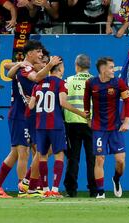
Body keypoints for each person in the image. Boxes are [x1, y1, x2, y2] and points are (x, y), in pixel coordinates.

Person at [0, 40, 59, 198]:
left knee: (31, 151)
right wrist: (48, 66)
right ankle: (24, 188)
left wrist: (17, 65)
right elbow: (34, 77)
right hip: (20, 114)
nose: (41, 55)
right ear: (31, 53)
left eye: (42, 52)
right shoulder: (27, 68)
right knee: (24, 152)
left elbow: (8, 69)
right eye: (38, 51)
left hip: (28, 114)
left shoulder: (26, 65)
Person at [29, 58, 87, 198]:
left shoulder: (37, 84)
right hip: (55, 124)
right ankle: (54, 190)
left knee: (42, 156)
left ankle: (44, 190)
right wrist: (81, 113)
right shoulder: (61, 83)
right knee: (59, 155)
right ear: (60, 69)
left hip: (40, 125)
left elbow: (31, 106)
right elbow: (62, 102)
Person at [83, 57, 129, 199]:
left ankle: (116, 179)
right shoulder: (91, 83)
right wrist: (88, 118)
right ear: (103, 69)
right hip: (99, 128)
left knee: (120, 160)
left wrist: (126, 122)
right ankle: (100, 192)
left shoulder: (118, 82)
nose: (113, 70)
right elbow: (86, 101)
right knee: (99, 159)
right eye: (111, 67)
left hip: (115, 128)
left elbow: (128, 102)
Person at [63, 54, 97, 198]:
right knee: (92, 159)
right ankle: (94, 190)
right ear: (89, 66)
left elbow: (62, 101)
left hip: (72, 123)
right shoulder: (96, 81)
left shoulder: (68, 81)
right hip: (92, 124)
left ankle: (71, 190)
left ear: (76, 66)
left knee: (73, 158)